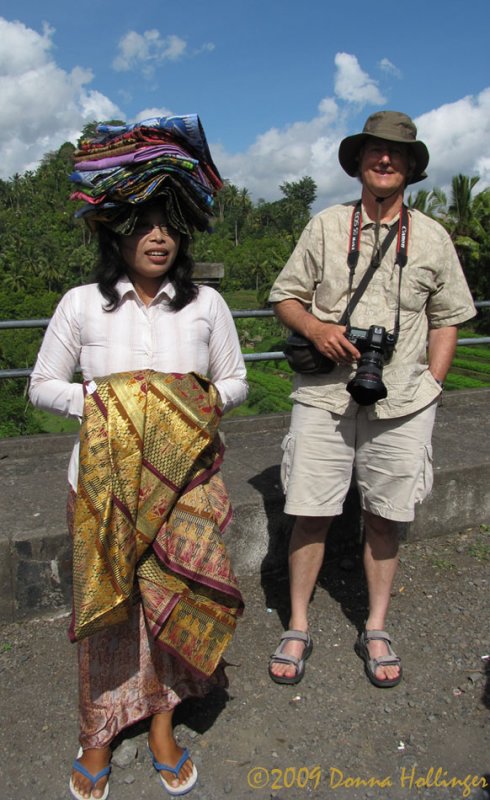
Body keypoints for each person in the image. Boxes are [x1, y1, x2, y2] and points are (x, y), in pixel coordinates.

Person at [29, 115, 248, 799]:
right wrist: (112, 402)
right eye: (144, 222)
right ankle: (98, 732)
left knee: (172, 609)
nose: (159, 236)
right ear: (116, 229)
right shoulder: (81, 305)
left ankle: (160, 724)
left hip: (186, 489)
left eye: (170, 223)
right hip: (104, 492)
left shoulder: (206, 305)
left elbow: (236, 381)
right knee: (109, 612)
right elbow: (42, 385)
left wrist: (184, 399)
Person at [267, 110, 476, 689]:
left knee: (386, 518)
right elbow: (285, 296)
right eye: (375, 152)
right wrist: (317, 331)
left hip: (405, 403)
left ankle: (376, 625)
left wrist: (431, 385)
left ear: (410, 168)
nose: (385, 160)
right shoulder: (326, 226)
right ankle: (299, 622)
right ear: (359, 162)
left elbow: (449, 318)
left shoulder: (432, 237)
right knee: (309, 512)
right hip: (324, 397)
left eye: (397, 154)